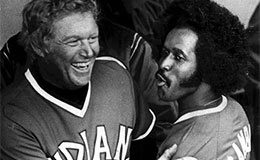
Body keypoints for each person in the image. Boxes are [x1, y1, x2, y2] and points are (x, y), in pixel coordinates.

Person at [0, 0, 157, 159]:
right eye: (74, 41)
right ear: (39, 46)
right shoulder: (12, 117)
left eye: (93, 38)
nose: (89, 52)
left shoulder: (117, 75)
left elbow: (146, 146)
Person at [154, 0, 252, 159]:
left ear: (207, 66)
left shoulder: (183, 151)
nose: (164, 64)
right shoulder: (235, 110)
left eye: (179, 58)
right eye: (165, 53)